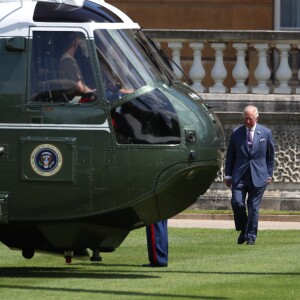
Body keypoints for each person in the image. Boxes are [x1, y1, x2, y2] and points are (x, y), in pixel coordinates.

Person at [224, 105, 275, 245]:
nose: (247, 121)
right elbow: (230, 156)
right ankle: (244, 229)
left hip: (259, 176)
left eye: (250, 118)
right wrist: (227, 175)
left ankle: (251, 237)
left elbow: (270, 157)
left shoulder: (266, 133)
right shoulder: (236, 133)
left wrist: (269, 174)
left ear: (256, 118)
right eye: (245, 118)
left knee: (253, 207)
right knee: (237, 203)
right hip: (239, 175)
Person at [58, 32, 95, 100]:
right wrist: (93, 93)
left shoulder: (66, 58)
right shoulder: (68, 60)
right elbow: (80, 88)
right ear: (75, 43)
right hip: (74, 99)